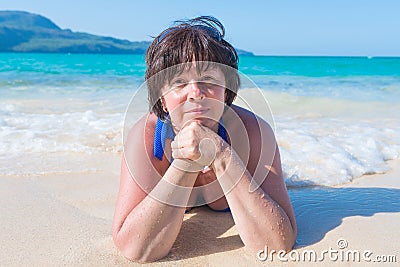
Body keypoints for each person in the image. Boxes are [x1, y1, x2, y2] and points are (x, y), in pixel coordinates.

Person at [112, 16, 297, 262]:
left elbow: (276, 245)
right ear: (162, 97)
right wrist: (185, 162)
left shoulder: (254, 133)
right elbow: (137, 250)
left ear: (226, 90)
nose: (196, 94)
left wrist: (221, 155)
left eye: (208, 80)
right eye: (179, 82)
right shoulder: (148, 139)